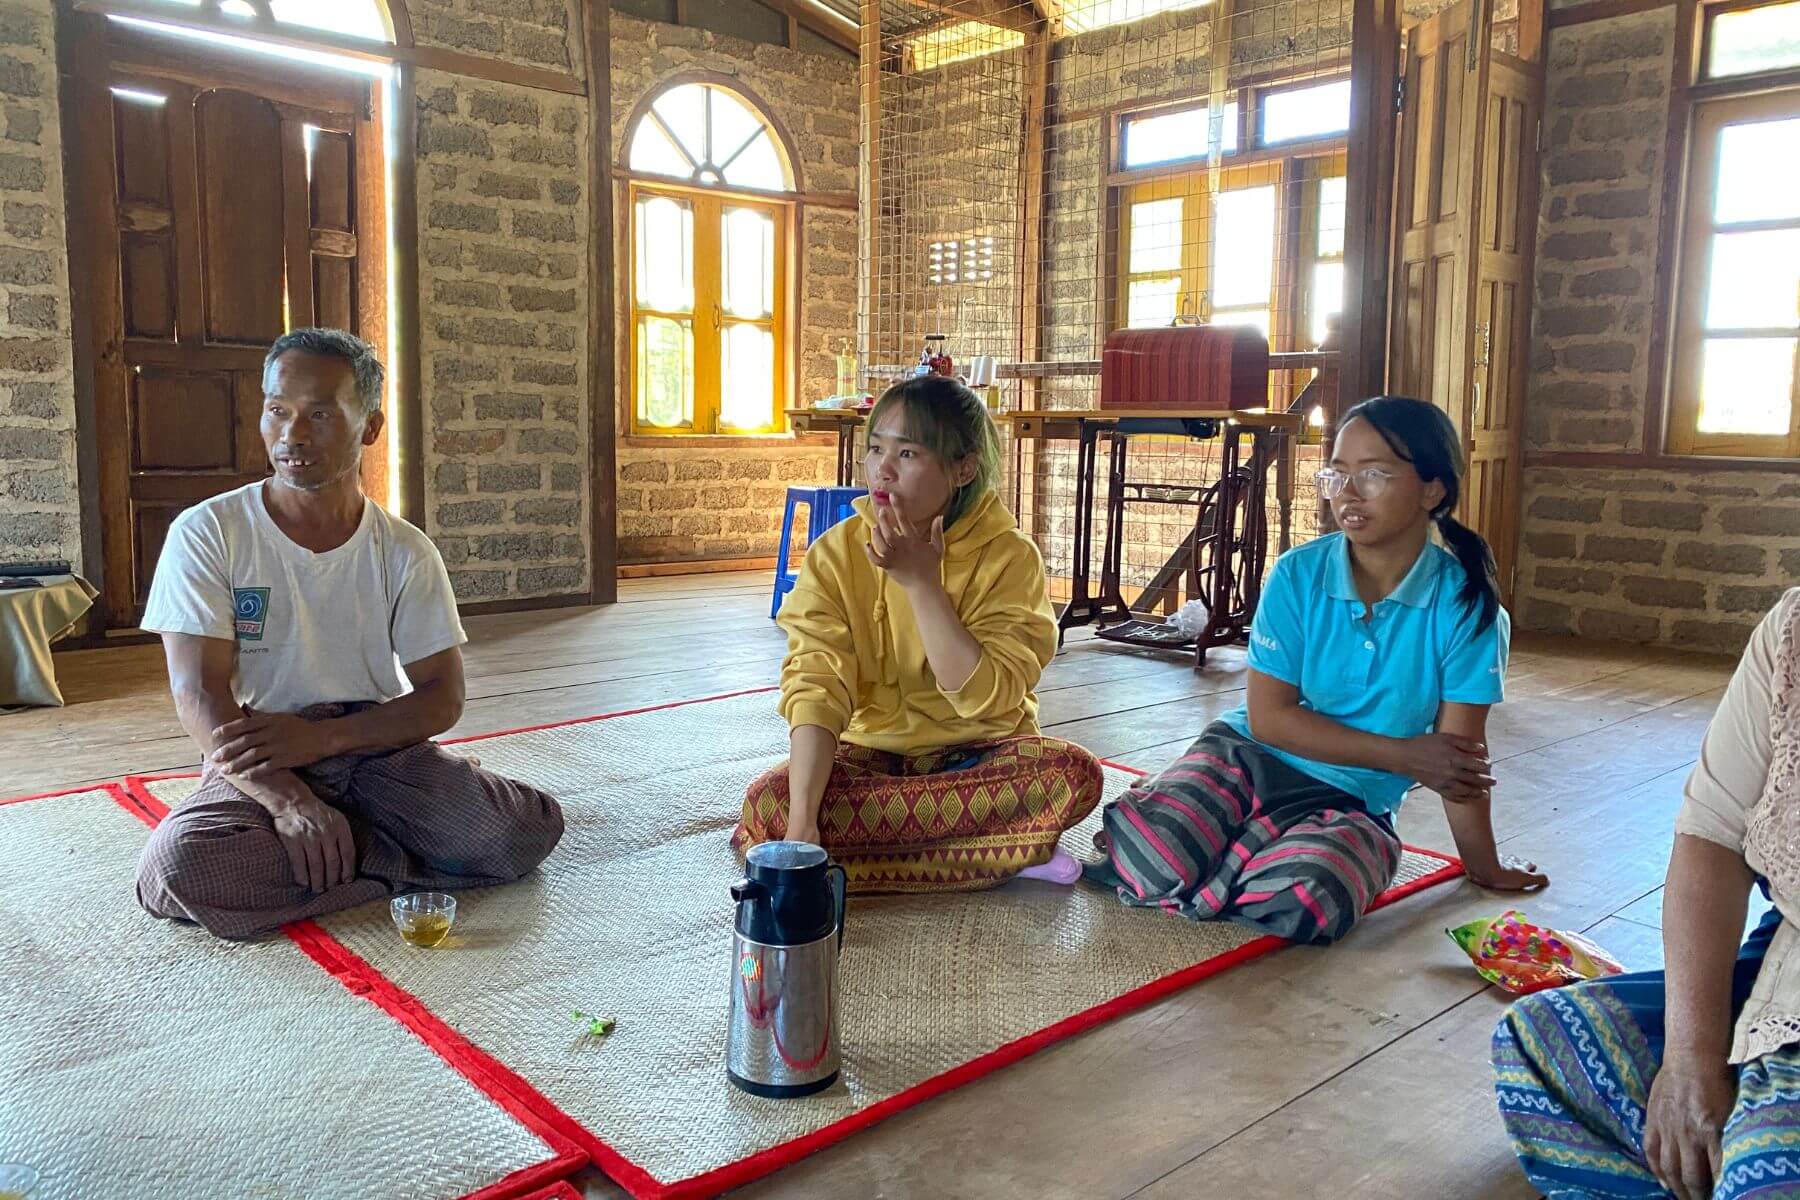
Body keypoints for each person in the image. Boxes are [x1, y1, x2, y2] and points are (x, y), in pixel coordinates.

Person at [134, 328, 564, 940]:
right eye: (277, 410)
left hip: (370, 742)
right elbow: (200, 694)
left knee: (523, 832)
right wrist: (289, 801)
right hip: (260, 750)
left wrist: (326, 740)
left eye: (320, 414)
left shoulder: (404, 552)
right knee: (180, 869)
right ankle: (397, 855)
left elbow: (442, 695)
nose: (292, 435)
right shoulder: (209, 533)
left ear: (369, 427)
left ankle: (348, 854)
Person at [1085, 396, 1547, 944]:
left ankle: (1233, 854)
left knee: (1308, 894)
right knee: (1155, 850)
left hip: (1353, 800)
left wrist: (1483, 867)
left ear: (1432, 489)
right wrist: (1403, 755)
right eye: (1338, 474)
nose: (1348, 493)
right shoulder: (1297, 575)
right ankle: (1228, 848)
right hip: (1246, 758)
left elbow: (1456, 765)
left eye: (1374, 474)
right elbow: (1270, 721)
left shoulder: (1468, 610)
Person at [736, 375, 1103, 892]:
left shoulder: (1010, 557)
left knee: (1072, 775)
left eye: (907, 453)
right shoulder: (837, 554)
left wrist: (921, 584)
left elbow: (986, 697)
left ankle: (877, 861)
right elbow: (816, 684)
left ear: (963, 467)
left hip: (980, 754)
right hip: (870, 758)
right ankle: (999, 850)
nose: (881, 470)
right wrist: (802, 826)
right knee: (771, 803)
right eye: (876, 449)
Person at [1494, 589, 1800, 1200]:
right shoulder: (1793, 629)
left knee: (1768, 1170)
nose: (1348, 493)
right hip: (1786, 955)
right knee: (1542, 1044)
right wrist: (1691, 1059)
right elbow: (1711, 833)